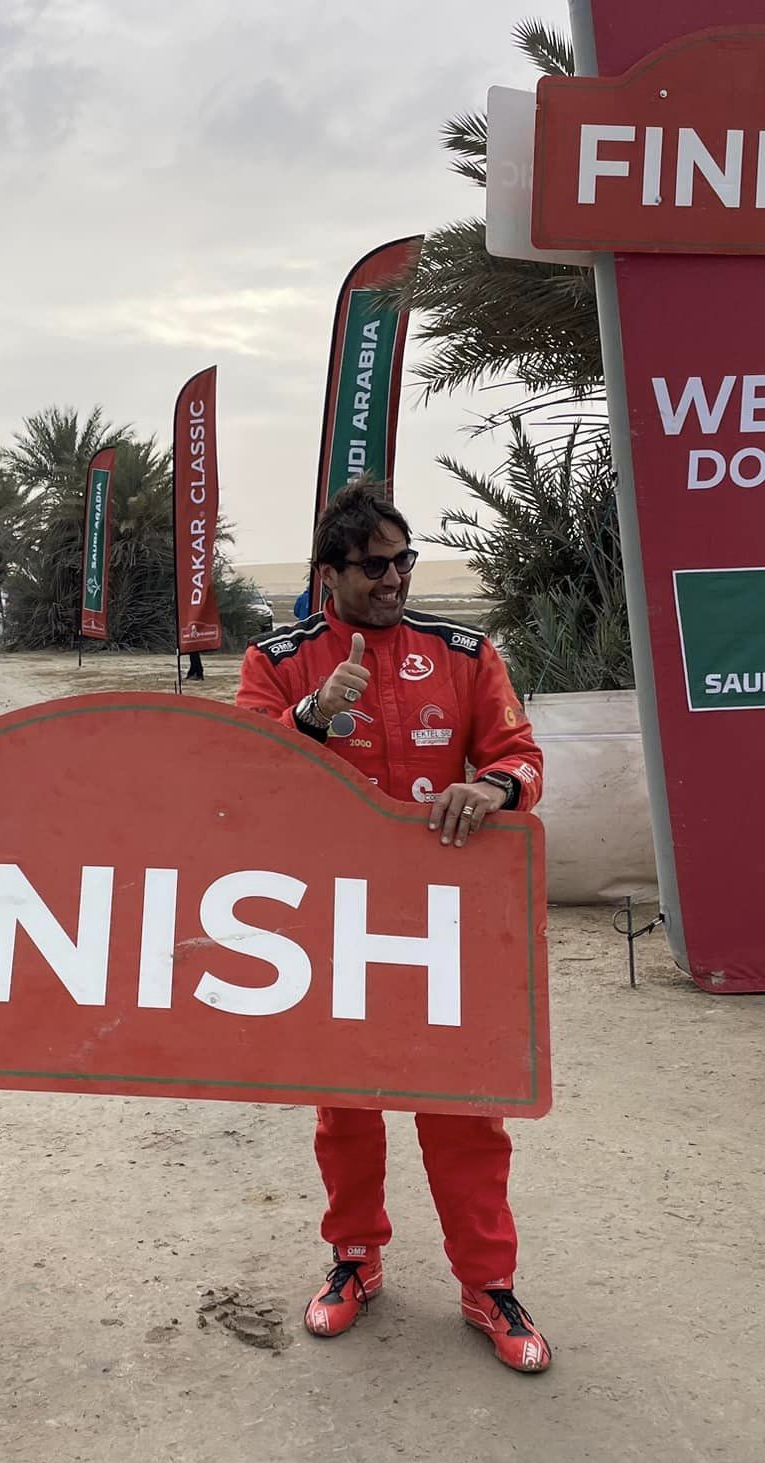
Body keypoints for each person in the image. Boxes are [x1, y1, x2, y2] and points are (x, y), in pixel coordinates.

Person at [234, 479, 552, 1374]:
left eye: (404, 560)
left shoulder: (464, 651)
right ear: (328, 573)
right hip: (331, 922)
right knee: (347, 1107)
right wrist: (311, 716)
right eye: (375, 566)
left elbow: (520, 757)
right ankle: (354, 1262)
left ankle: (489, 1285)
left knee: (466, 1113)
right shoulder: (281, 659)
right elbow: (240, 769)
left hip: (447, 923)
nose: (395, 578)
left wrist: (489, 788)